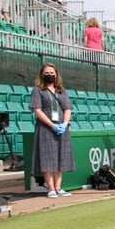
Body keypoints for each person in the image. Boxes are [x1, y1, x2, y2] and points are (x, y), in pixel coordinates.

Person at [29, 63, 75, 198]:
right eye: (47, 73)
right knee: (47, 157)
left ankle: (59, 187)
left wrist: (65, 124)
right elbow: (37, 109)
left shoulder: (61, 90)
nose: (49, 75)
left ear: (56, 74)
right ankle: (50, 188)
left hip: (61, 127)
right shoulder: (38, 90)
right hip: (45, 128)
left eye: (52, 73)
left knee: (61, 156)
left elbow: (67, 108)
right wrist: (51, 125)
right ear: (42, 75)